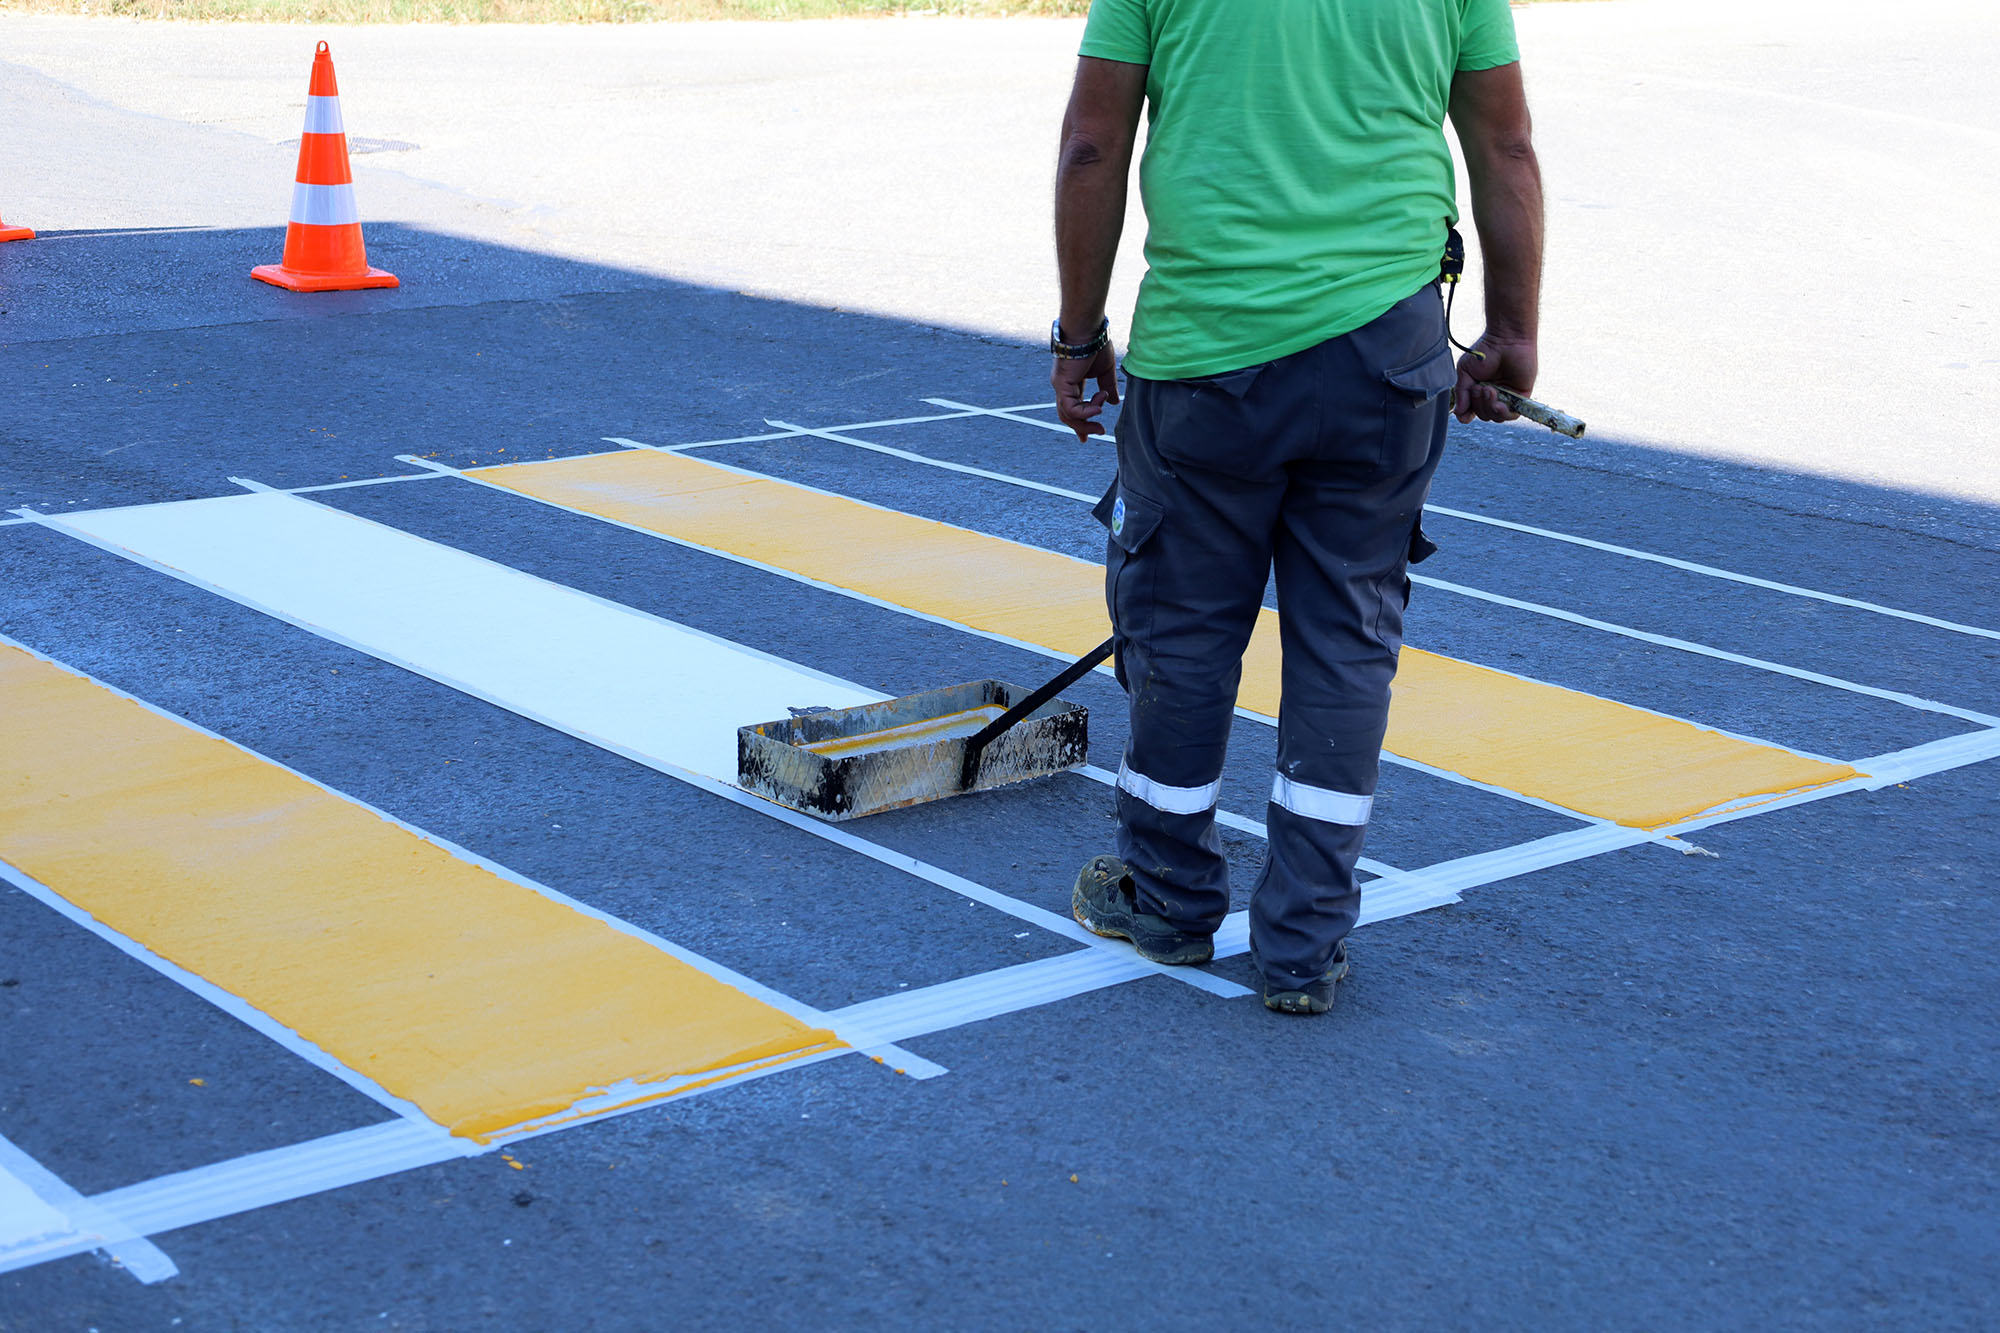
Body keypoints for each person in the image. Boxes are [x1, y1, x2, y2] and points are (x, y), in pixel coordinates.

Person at [1052, 0, 1544, 1014]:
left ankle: (1166, 896)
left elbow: (1092, 146)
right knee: (1347, 636)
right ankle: (1303, 943)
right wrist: (1510, 330)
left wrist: (1077, 334)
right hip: (1385, 359)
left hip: (1207, 357)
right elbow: (1504, 144)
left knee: (1182, 635)